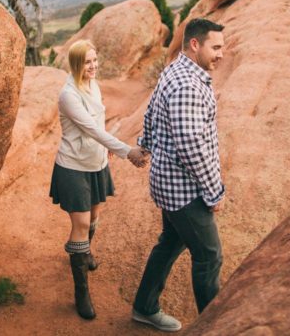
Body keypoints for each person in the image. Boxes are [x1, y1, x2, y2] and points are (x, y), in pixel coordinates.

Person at [131, 18, 226, 332]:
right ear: (195, 45)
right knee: (209, 256)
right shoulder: (187, 82)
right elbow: (190, 145)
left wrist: (145, 144)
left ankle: (145, 307)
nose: (221, 54)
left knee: (170, 242)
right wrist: (214, 191)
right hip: (185, 192)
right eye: (216, 47)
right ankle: (211, 328)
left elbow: (151, 110)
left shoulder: (175, 69)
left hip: (169, 186)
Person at [49, 39, 148, 320]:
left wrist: (106, 150)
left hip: (97, 162)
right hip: (73, 166)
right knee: (80, 223)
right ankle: (82, 292)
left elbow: (99, 124)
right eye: (87, 62)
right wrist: (126, 150)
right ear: (76, 64)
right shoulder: (69, 95)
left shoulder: (93, 84)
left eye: (94, 61)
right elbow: (91, 128)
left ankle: (86, 251)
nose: (92, 66)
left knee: (94, 217)